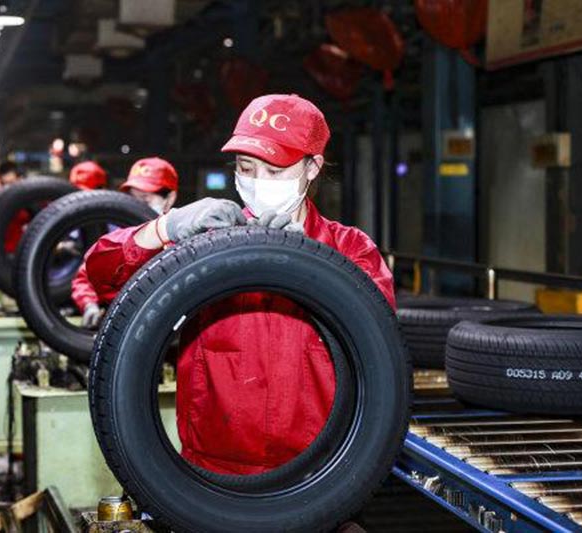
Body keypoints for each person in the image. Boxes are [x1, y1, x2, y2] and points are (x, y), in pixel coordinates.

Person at [81, 94, 395, 475]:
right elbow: (101, 272)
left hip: (320, 473)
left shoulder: (350, 250)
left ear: (311, 167)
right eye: (246, 167)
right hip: (212, 473)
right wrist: (165, 228)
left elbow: (379, 349)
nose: (257, 182)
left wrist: (314, 267)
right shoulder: (207, 245)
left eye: (275, 171)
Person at [71, 157, 179, 327]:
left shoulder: (184, 237)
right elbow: (85, 276)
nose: (137, 206)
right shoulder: (118, 235)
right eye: (133, 199)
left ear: (170, 198)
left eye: (145, 200)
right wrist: (89, 305)